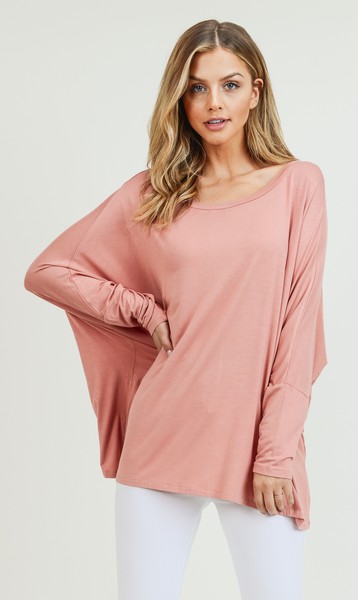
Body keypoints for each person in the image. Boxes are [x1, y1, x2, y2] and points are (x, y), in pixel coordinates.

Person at [24, 18, 328, 600]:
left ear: (255, 92)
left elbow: (298, 328)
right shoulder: (153, 193)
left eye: (230, 85)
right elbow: (47, 271)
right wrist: (139, 308)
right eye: (196, 88)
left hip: (258, 450)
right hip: (161, 437)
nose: (214, 102)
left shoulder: (299, 186)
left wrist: (275, 454)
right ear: (180, 99)